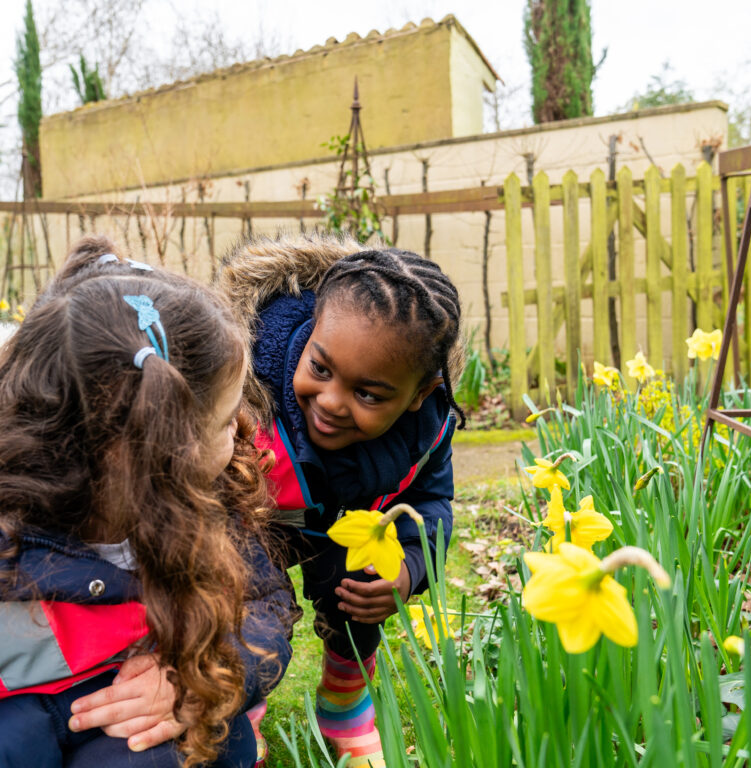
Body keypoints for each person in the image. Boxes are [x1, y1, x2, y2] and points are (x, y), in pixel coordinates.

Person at [0, 237, 295, 768]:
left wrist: (206, 679)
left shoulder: (211, 496)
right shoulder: (12, 527)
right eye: (228, 419)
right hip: (23, 712)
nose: (247, 429)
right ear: (159, 449)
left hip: (138, 719)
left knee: (194, 748)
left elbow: (265, 606)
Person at [216, 233, 465, 768]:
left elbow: (432, 506)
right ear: (308, 335)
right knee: (235, 600)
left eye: (369, 394)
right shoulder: (244, 389)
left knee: (369, 577)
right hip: (253, 524)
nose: (330, 402)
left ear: (420, 393)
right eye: (320, 369)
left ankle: (345, 699)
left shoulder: (426, 428)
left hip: (346, 530)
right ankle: (240, 706)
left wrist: (412, 570)